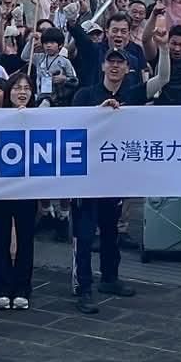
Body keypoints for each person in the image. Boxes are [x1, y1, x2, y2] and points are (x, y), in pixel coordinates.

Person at [70, 49, 143, 312]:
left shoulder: (132, 95)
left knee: (111, 232)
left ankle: (110, 278)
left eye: (120, 62)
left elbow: (162, 80)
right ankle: (83, 288)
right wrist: (98, 113)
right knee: (85, 235)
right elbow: (72, 124)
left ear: (127, 68)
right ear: (102, 66)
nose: (114, 66)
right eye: (110, 61)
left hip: (114, 176)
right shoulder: (85, 94)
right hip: (86, 178)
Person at [0, 74, 40, 310]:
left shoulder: (41, 117)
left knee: (26, 239)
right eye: (17, 87)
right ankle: (1, 287)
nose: (22, 92)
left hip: (28, 189)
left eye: (27, 88)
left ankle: (22, 287)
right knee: (0, 238)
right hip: (0, 189)